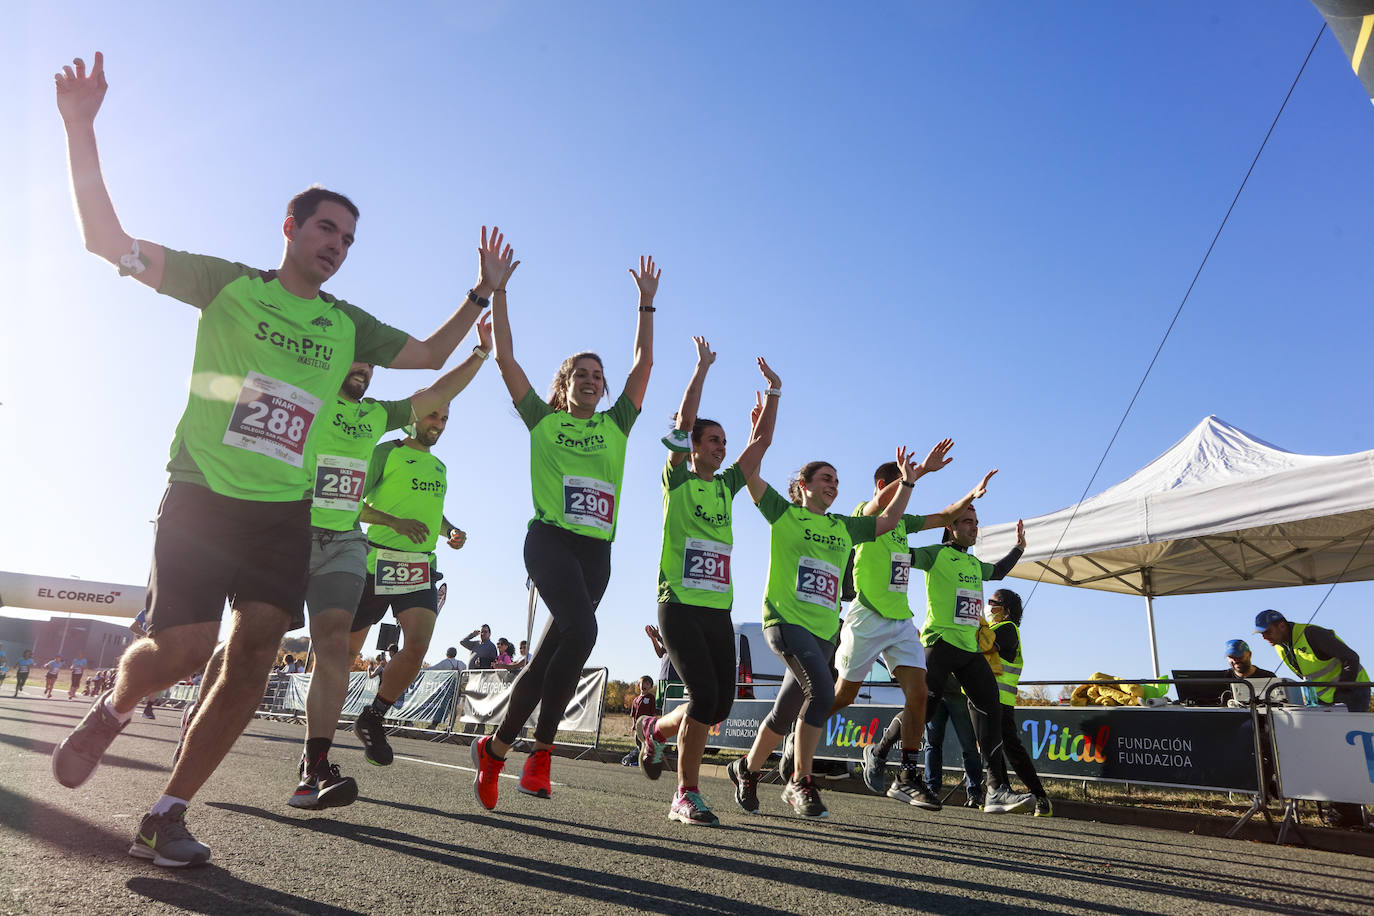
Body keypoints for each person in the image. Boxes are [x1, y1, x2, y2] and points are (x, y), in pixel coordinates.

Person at [50, 52, 498, 868]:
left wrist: (480, 295)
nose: (338, 246)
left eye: (350, 239)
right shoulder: (224, 285)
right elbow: (102, 240)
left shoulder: (347, 324)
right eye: (326, 228)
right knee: (182, 652)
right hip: (201, 494)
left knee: (255, 650)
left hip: (283, 511)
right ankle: (116, 704)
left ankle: (168, 811)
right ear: (288, 228)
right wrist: (80, 127)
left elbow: (431, 350)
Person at [179, 305, 498, 809]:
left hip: (344, 543)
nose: (363, 370)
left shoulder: (375, 416)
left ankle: (314, 769)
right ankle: (198, 717)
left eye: (371, 366)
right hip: (291, 533)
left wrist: (481, 353)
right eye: (355, 361)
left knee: (334, 647)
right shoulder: (309, 399)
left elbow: (432, 396)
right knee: (252, 643)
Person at [470, 252, 657, 811]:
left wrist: (645, 303)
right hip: (549, 541)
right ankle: (541, 755)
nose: (594, 382)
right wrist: (498, 291)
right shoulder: (543, 421)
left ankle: (497, 748)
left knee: (553, 655)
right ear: (565, 383)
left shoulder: (616, 424)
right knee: (583, 630)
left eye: (599, 376)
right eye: (582, 374)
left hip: (597, 553)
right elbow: (506, 360)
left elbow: (643, 365)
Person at [727, 448, 927, 820]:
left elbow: (888, 519)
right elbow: (749, 474)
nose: (833, 485)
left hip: (824, 633)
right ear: (803, 486)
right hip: (786, 624)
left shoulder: (842, 526)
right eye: (825, 478)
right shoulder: (784, 513)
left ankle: (746, 768)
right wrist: (759, 435)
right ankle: (800, 781)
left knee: (786, 710)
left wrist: (909, 482)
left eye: (836, 480)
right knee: (821, 692)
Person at [631, 341, 779, 826]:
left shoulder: (727, 485)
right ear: (694, 446)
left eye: (723, 441)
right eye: (713, 440)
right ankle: (685, 794)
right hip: (678, 604)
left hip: (718, 610)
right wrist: (701, 367)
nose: (722, 446)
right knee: (700, 698)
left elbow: (759, 448)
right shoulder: (676, 477)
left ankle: (654, 730)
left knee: (718, 704)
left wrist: (775, 393)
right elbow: (682, 423)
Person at [821, 451, 993, 811]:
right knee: (844, 696)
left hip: (900, 622)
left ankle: (906, 777)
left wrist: (969, 496)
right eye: (902, 483)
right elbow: (877, 506)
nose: (908, 491)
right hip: (866, 616)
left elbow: (946, 516)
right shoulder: (863, 514)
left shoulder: (904, 524)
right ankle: (803, 731)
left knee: (919, 694)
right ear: (885, 486)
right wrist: (914, 478)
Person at [864, 507, 1036, 816]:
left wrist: (1019, 548)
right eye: (967, 522)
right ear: (950, 527)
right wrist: (879, 535)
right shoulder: (936, 555)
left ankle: (996, 789)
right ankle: (879, 751)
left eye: (976, 522)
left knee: (991, 708)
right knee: (923, 710)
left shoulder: (972, 562)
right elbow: (902, 555)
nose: (974, 527)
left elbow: (997, 572)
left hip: (969, 649)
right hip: (939, 645)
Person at [984, 589, 1052, 816]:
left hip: (999, 699)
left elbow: (985, 648)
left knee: (1010, 749)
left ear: (1007, 610)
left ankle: (1041, 798)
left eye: (994, 602)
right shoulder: (995, 628)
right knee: (993, 747)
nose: (988, 604)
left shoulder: (1007, 629)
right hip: (988, 697)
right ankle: (1003, 791)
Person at [921, 681, 986, 807]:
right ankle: (974, 794)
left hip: (947, 692)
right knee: (967, 746)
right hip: (942, 692)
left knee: (935, 745)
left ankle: (932, 790)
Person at [623, 676, 658, 767]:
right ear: (639, 685)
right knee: (638, 743)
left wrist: (653, 725)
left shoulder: (651, 698)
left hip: (647, 726)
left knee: (646, 743)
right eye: (643, 683)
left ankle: (645, 761)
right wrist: (633, 724)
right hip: (638, 727)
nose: (644, 686)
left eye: (647, 684)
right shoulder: (636, 700)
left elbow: (653, 712)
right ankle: (638, 759)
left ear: (650, 687)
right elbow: (633, 714)